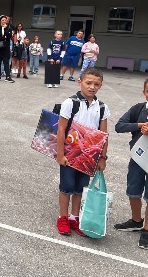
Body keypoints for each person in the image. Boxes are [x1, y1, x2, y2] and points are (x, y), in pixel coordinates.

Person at [55, 68, 109, 236]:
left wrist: (103, 157)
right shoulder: (70, 103)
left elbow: (104, 135)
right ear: (80, 82)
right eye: (88, 83)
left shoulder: (102, 108)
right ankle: (63, 217)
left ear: (100, 86)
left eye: (96, 84)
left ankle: (74, 217)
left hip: (88, 157)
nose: (92, 87)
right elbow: (61, 129)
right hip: (70, 154)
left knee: (81, 187)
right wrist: (60, 154)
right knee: (67, 186)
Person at [113, 78, 148, 248]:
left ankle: (147, 230)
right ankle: (136, 220)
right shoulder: (138, 109)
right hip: (138, 157)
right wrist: (139, 125)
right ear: (144, 92)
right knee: (133, 191)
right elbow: (119, 126)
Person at [0, 15, 14, 83]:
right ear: (0, 21)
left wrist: (5, 29)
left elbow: (9, 36)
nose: (4, 21)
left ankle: (7, 76)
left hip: (5, 48)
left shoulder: (9, 28)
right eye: (2, 20)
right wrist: (3, 38)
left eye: (5, 20)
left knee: (6, 62)